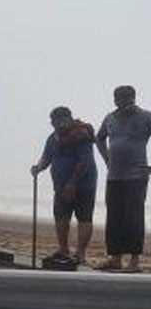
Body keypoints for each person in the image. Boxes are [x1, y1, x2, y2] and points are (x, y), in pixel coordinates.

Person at [30, 106, 98, 265]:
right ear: (52, 123)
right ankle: (63, 249)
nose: (59, 124)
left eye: (62, 120)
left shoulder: (81, 134)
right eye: (55, 122)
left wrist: (72, 184)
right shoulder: (52, 138)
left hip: (84, 185)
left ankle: (80, 254)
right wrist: (38, 168)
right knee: (60, 216)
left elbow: (84, 162)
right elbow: (46, 157)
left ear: (69, 118)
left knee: (84, 217)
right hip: (60, 186)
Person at [96, 85, 151, 272]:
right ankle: (116, 258)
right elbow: (99, 138)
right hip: (114, 176)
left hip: (137, 175)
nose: (123, 103)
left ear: (134, 98)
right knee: (114, 217)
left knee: (133, 218)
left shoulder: (146, 116)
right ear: (115, 100)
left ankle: (134, 261)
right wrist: (106, 159)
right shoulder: (110, 118)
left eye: (127, 99)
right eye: (119, 99)